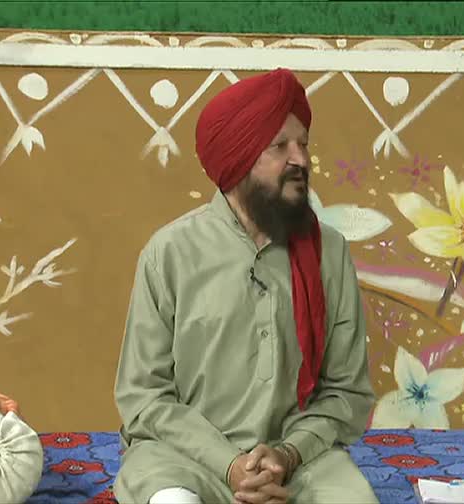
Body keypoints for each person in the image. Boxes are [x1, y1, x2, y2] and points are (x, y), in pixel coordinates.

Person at [113, 68, 378, 504]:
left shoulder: (328, 253)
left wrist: (286, 456)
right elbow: (145, 397)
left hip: (298, 463)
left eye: (303, 144)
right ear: (239, 160)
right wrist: (229, 464)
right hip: (185, 457)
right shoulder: (170, 252)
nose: (301, 159)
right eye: (280, 146)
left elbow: (346, 393)